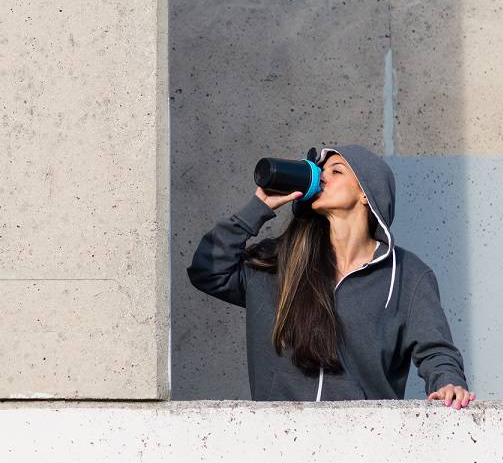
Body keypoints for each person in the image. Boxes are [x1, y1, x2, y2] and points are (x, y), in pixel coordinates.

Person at [186, 143, 475, 408]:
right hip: (279, 442)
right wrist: (258, 207)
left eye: (336, 171)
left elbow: (437, 351)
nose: (323, 176)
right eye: (321, 171)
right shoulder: (279, 262)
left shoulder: (407, 275)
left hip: (363, 443)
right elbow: (208, 271)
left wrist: (449, 383)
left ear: (366, 193)